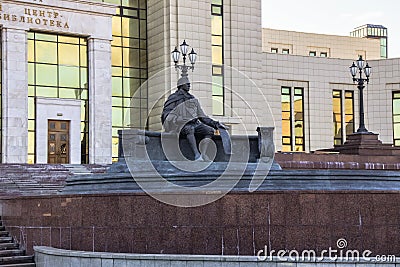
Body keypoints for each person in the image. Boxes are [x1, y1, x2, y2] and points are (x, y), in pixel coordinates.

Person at [161, 76, 227, 161]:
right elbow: (166, 114)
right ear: (180, 85)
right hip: (180, 126)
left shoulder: (193, 99)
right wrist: (177, 119)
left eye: (189, 83)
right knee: (189, 129)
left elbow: (202, 116)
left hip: (195, 124)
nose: (189, 85)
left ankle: (203, 154)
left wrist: (216, 124)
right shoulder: (174, 97)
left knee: (209, 130)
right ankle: (196, 155)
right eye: (186, 83)